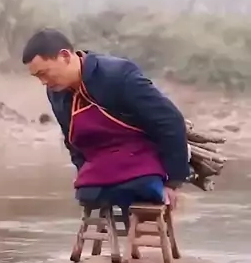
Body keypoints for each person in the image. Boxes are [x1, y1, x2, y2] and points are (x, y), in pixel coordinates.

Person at [21, 28, 190, 215]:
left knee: (139, 188)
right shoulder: (56, 92)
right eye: (37, 77)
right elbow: (71, 140)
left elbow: (170, 120)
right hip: (100, 166)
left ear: (65, 56)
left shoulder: (118, 75)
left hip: (140, 160)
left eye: (44, 73)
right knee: (87, 192)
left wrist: (173, 181)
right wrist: (83, 171)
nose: (43, 82)